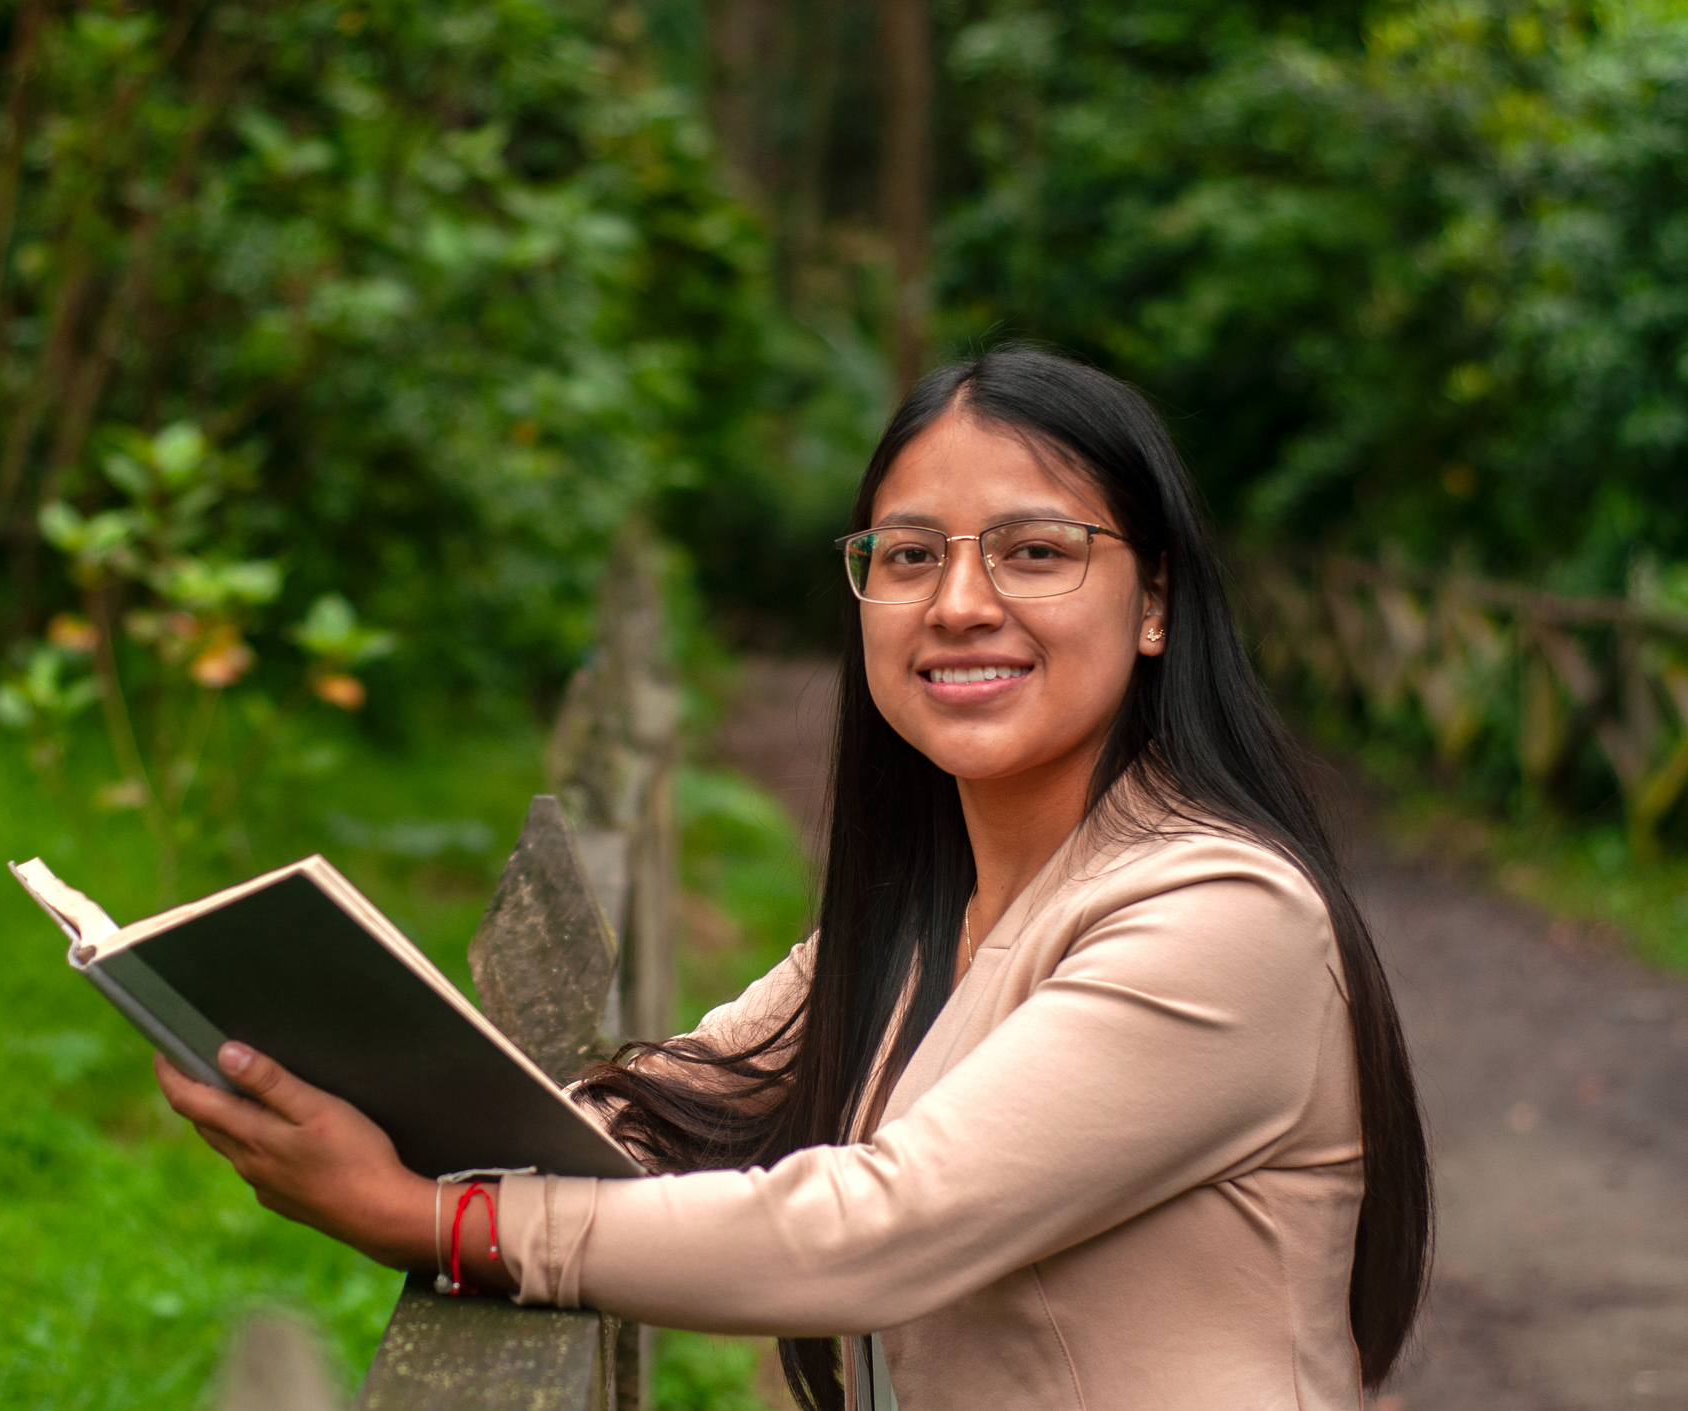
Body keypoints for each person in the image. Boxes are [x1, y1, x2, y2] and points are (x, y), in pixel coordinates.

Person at [157, 345, 1433, 1411]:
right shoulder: (925, 922)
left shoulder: (1223, 917)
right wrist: (380, 1080)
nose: (962, 601)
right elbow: (673, 1099)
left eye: (1037, 551)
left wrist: (436, 1221)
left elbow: (871, 1233)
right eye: (911, 554)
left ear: (1154, 603)